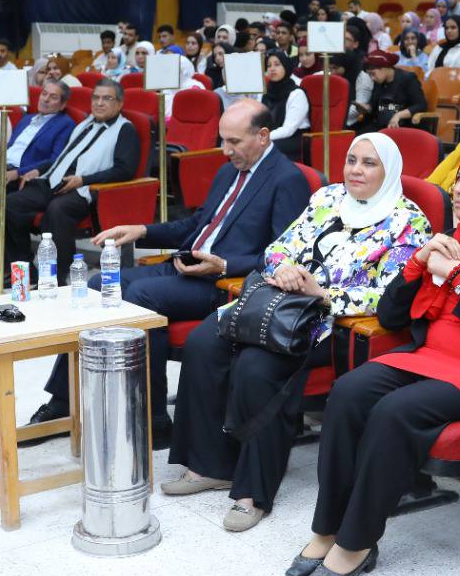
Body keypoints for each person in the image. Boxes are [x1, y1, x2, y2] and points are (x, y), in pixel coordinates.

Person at [292, 150, 460, 576]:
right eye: (459, 178)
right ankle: (327, 528)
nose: (459, 188)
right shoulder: (448, 237)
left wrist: (458, 276)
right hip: (425, 355)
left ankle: (356, 542)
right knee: (349, 391)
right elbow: (391, 317)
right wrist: (416, 265)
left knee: (392, 412)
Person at [163, 134, 429, 530]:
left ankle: (253, 491)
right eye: (351, 160)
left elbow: (389, 294)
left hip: (328, 321)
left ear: (389, 171)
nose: (355, 170)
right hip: (274, 301)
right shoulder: (327, 198)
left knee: (256, 365)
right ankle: (209, 465)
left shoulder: (408, 222)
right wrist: (284, 269)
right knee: (203, 342)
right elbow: (278, 248)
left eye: (369, 163)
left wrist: (322, 293)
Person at [29, 100, 310, 444]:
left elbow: (284, 254)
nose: (225, 150)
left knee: (141, 297)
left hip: (225, 284)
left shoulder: (287, 180)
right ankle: (62, 400)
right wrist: (142, 231)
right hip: (185, 268)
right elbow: (196, 225)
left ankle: (154, 417)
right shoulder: (229, 172)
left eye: (234, 142)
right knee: (97, 284)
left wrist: (223, 265)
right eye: (223, 140)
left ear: (263, 136)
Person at [4, 76, 139, 280]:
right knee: (10, 204)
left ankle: (58, 276)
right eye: (95, 98)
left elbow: (124, 170)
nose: (99, 103)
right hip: (53, 180)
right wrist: (39, 170)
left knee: (58, 209)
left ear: (120, 104)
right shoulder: (85, 123)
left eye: (107, 99)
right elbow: (63, 157)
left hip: (87, 189)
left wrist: (83, 180)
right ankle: (24, 270)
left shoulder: (125, 129)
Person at [1, 79, 76, 184]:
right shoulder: (26, 119)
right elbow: (10, 146)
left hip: (22, 175)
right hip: (0, 167)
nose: (45, 99)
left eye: (53, 97)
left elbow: (55, 160)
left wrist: (18, 172)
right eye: (44, 94)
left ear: (62, 105)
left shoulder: (65, 124)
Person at [357, 51, 427, 133]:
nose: (372, 78)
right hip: (380, 126)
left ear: (385, 67)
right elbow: (376, 107)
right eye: (369, 75)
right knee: (355, 136)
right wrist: (367, 108)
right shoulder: (378, 82)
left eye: (373, 74)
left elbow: (420, 105)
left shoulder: (408, 79)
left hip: (404, 127)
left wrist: (399, 115)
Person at [261, 51, 309, 160]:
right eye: (269, 65)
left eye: (277, 64)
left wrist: (262, 138)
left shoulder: (297, 94)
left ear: (286, 66)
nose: (272, 69)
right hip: (269, 136)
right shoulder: (266, 92)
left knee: (265, 149)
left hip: (294, 138)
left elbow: (288, 129)